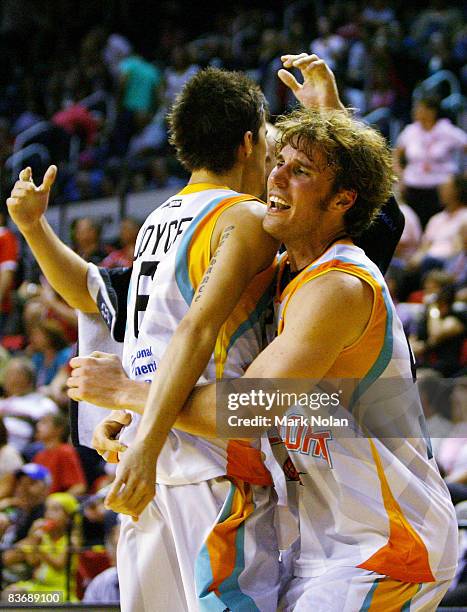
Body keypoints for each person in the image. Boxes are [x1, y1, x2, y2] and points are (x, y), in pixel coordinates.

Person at [88, 76, 457, 609]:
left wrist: (129, 393)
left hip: (392, 539)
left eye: (299, 171)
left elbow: (249, 409)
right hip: (318, 541)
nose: (275, 176)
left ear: (342, 200)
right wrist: (140, 423)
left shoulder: (337, 286)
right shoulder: (284, 273)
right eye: (277, 160)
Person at [394, 96, 467, 228]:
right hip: (413, 187)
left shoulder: (446, 129)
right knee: (413, 223)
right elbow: (396, 154)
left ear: (432, 111)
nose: (415, 111)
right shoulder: (410, 130)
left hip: (440, 189)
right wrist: (400, 175)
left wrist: (464, 175)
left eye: (420, 108)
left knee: (437, 225)